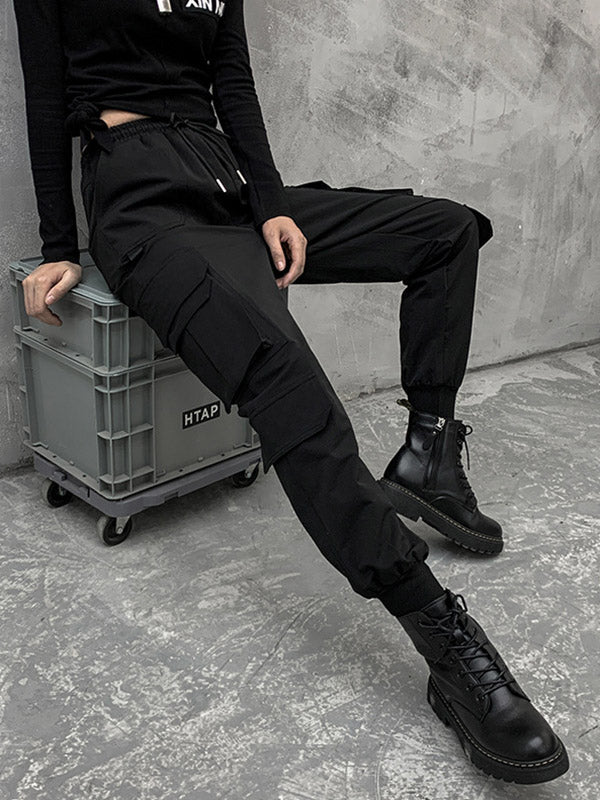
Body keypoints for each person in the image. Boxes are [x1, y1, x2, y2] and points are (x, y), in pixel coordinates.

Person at [13, 0, 569, 784]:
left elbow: (231, 82)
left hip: (226, 180)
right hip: (141, 205)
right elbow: (44, 95)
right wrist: (58, 246)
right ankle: (442, 637)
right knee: (289, 382)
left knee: (446, 231)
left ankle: (428, 459)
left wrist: (272, 205)